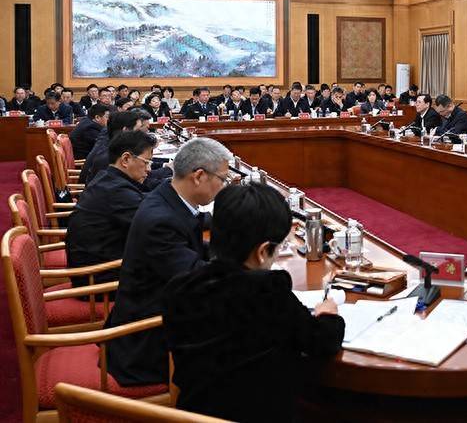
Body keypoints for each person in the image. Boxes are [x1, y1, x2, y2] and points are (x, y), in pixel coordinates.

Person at [163, 183, 344, 422]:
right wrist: (328, 314)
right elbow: (322, 341)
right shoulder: (267, 291)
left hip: (194, 414)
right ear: (262, 251)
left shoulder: (180, 288)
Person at [105, 137, 233, 386]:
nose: (224, 186)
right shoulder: (161, 220)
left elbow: (191, 253)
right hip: (148, 342)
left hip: (162, 311)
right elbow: (197, 280)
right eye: (223, 179)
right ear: (199, 176)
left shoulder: (169, 197)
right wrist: (247, 269)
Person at [65, 130, 156, 288]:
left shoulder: (108, 178)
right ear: (126, 159)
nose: (149, 169)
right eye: (146, 162)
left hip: (103, 266)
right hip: (99, 281)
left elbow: (143, 202)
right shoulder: (116, 191)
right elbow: (156, 224)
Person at [80, 109, 171, 190]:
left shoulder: (114, 145)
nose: (143, 133)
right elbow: (139, 186)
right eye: (139, 129)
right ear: (126, 130)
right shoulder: (109, 156)